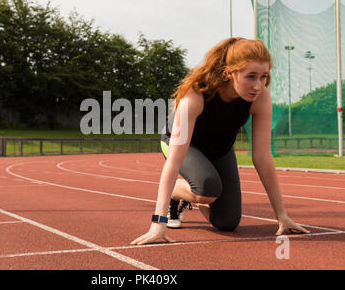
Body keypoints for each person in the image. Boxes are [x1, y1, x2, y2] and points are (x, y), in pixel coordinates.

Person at [131, 37, 310, 246]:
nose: (258, 85)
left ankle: (198, 193)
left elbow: (262, 156)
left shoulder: (261, 97)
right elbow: (174, 161)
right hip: (181, 144)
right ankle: (176, 191)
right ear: (229, 73)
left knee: (227, 222)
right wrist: (158, 222)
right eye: (251, 76)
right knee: (207, 189)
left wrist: (282, 216)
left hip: (220, 149)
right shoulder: (196, 95)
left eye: (264, 77)